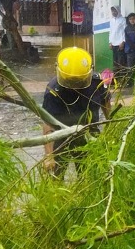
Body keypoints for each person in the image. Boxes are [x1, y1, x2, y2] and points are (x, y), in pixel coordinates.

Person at [41, 46, 110, 175]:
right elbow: (48, 124)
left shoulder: (98, 82)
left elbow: (106, 102)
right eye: (71, 81)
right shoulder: (53, 91)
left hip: (90, 135)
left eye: (78, 81)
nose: (75, 85)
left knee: (89, 175)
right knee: (56, 176)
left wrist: (111, 125)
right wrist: (49, 156)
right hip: (62, 136)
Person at [108, 5, 127, 76]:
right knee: (115, 62)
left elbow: (125, 31)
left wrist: (123, 42)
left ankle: (122, 78)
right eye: (112, 11)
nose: (113, 12)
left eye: (115, 10)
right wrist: (110, 42)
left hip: (120, 44)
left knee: (121, 62)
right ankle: (116, 78)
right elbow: (111, 32)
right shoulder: (112, 20)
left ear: (118, 11)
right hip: (113, 44)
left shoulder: (123, 20)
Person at [123, 12, 135, 84]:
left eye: (133, 19)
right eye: (130, 19)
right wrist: (132, 47)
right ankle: (130, 82)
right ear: (128, 20)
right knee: (130, 67)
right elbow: (127, 39)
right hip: (130, 50)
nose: (132, 20)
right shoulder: (126, 28)